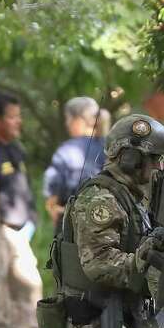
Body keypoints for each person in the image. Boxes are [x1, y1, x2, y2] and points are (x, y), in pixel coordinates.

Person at [49, 114, 164, 328]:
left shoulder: (130, 198)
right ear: (130, 157)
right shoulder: (101, 200)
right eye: (152, 159)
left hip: (112, 320)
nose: (157, 167)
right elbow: (98, 265)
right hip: (97, 326)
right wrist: (142, 260)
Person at [0, 91, 43, 328]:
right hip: (4, 230)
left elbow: (23, 188)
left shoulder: (15, 149)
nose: (17, 122)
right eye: (12, 117)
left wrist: (32, 218)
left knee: (20, 285)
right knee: (29, 282)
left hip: (23, 227)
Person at [43, 96, 105, 230]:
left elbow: (51, 201)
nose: (67, 124)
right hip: (106, 225)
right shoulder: (111, 148)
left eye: (68, 119)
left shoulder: (66, 151)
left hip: (73, 227)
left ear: (78, 120)